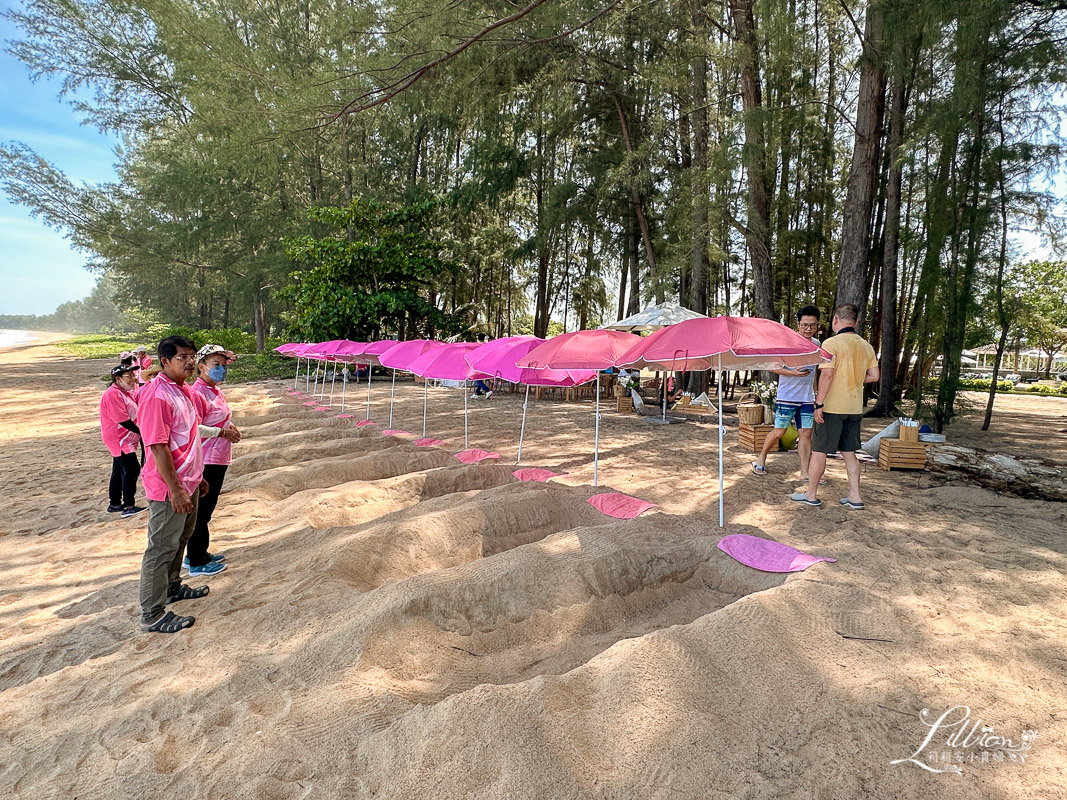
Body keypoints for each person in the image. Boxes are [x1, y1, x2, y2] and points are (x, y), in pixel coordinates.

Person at [136, 335, 211, 634]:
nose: (190, 362)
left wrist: (197, 475)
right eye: (182, 357)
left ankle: (173, 588)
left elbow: (188, 436)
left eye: (192, 356)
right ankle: (152, 614)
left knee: (180, 538)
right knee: (160, 547)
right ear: (165, 361)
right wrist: (176, 489)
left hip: (187, 480)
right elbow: (157, 446)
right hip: (169, 486)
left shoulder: (183, 389)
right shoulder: (157, 396)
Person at [790, 303, 878, 509]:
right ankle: (855, 497)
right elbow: (874, 375)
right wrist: (853, 379)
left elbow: (827, 374)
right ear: (855, 322)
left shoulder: (830, 343)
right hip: (854, 407)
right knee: (849, 452)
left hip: (832, 407)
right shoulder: (866, 346)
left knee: (819, 451)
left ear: (835, 320)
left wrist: (818, 403)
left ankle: (810, 494)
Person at [185, 345, 240, 577]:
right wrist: (222, 433)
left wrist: (229, 427)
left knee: (207, 509)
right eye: (216, 365)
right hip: (207, 458)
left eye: (223, 365)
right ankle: (197, 560)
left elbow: (219, 417)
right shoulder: (197, 393)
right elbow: (194, 427)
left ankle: (199, 553)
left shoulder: (215, 390)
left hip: (219, 457)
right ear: (202, 367)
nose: (221, 369)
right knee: (202, 512)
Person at [752, 306, 822, 480]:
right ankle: (761, 458)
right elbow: (774, 367)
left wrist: (816, 393)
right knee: (779, 432)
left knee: (806, 433)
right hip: (787, 397)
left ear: (817, 325)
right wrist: (793, 373)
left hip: (807, 399)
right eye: (805, 325)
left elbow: (814, 372)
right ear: (798, 324)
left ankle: (805, 472)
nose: (808, 329)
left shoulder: (817, 345)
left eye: (812, 325)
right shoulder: (786, 342)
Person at [99, 363, 146, 518]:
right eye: (129, 376)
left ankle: (114, 504)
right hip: (119, 439)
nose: (133, 379)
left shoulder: (125, 392)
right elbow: (123, 420)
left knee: (118, 470)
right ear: (118, 379)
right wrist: (143, 432)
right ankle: (128, 505)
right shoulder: (113, 394)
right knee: (132, 469)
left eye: (133, 375)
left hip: (126, 439)